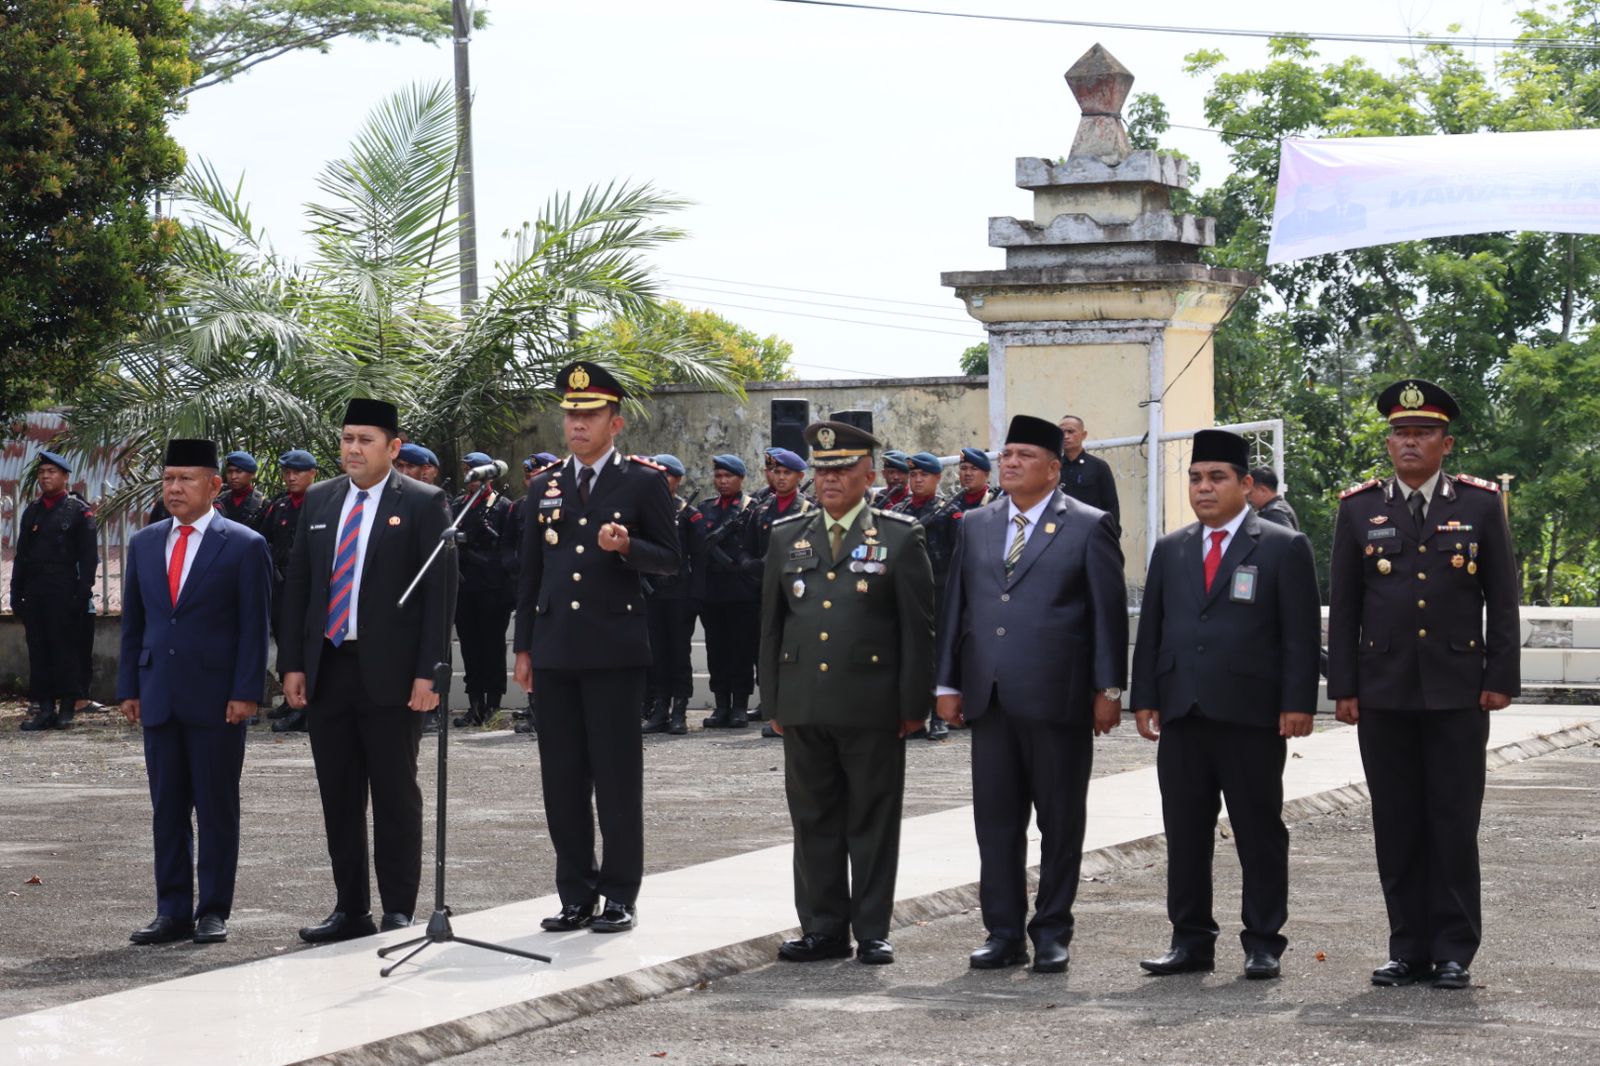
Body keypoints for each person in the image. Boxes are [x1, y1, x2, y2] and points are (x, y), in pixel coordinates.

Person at [1327, 378, 1520, 990]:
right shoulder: (1358, 508)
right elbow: (1347, 603)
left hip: (1459, 689)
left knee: (1454, 822)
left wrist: (1500, 677)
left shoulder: (1480, 505)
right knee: (1397, 822)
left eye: (1423, 433)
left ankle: (1454, 950)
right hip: (1384, 690)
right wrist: (1345, 687)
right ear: (1389, 443)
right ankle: (1407, 947)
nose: (1410, 442)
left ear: (1446, 443)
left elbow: (1504, 599)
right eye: (1401, 433)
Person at [935, 415, 1128, 974]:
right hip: (990, 696)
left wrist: (1109, 689)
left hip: (1058, 697)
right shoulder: (976, 523)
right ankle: (1002, 931)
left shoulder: (1089, 525)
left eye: (1024, 455)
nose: (1010, 462)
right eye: (1006, 453)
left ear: (1053, 466)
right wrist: (947, 682)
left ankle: (1051, 932)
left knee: (1060, 822)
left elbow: (1107, 617)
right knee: (996, 823)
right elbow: (957, 609)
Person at [1131, 429, 1321, 981]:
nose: (1204, 488)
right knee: (1185, 831)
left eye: (1217, 477)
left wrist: (1297, 702)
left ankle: (1263, 941)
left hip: (1252, 715)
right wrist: (1145, 695)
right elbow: (1155, 630)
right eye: (1195, 477)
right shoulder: (1173, 548)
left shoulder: (1282, 545)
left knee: (1259, 831)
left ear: (1245, 484)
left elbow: (1300, 635)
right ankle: (1190, 941)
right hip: (1184, 712)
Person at [512, 361, 680, 935]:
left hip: (614, 651)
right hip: (556, 651)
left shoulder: (643, 481)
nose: (576, 424)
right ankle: (575, 894)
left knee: (615, 778)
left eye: (589, 415)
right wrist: (524, 648)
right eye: (570, 415)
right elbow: (530, 575)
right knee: (561, 778)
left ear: (616, 422)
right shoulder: (544, 485)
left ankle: (619, 894)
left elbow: (670, 558)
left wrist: (629, 544)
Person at [761, 420, 934, 966]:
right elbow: (771, 625)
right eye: (822, 468)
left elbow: (918, 629)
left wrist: (913, 706)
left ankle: (873, 927)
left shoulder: (901, 536)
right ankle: (822, 927)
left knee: (872, 819)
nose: (829, 478)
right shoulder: (787, 535)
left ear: (870, 473)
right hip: (804, 700)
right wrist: (774, 702)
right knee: (813, 818)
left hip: (872, 702)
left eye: (841, 468)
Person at [279, 398, 450, 943]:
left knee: (396, 793)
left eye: (366, 440)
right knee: (339, 795)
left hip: (394, 675)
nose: (353, 448)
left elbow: (439, 598)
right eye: (348, 438)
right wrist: (292, 664)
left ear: (393, 448)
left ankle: (399, 908)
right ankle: (351, 909)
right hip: (330, 668)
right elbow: (300, 587)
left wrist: (430, 674)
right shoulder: (321, 499)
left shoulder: (424, 503)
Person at [117, 439, 273, 946]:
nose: (174, 488)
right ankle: (171, 911)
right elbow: (134, 625)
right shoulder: (145, 543)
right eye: (167, 479)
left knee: (216, 805)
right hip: (159, 692)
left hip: (217, 698)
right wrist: (129, 687)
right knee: (167, 806)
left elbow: (255, 626)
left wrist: (247, 691)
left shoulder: (244, 544)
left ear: (213, 485)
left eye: (186, 479)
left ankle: (212, 911)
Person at [729, 447, 816, 735]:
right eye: (776, 472)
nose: (780, 478)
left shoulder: (807, 511)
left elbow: (811, 552)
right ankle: (774, 711)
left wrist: (775, 562)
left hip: (795, 591)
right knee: (768, 649)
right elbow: (745, 546)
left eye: (786, 473)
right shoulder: (761, 510)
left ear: (799, 476)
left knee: (795, 652)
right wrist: (748, 564)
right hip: (763, 590)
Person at [11, 450, 98, 731]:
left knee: (65, 649)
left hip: (64, 589)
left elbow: (88, 557)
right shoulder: (33, 511)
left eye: (52, 472)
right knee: (39, 650)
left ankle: (68, 707)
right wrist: (16, 592)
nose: (46, 477)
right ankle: (44, 708)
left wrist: (83, 591)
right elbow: (22, 555)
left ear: (65, 476)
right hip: (36, 589)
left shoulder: (78, 510)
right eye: (42, 473)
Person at [450, 451, 516, 729]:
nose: (471, 478)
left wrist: (485, 558)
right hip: (466, 587)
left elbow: (509, 548)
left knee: (492, 645)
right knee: (470, 646)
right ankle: (474, 703)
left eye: (476, 471)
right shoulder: (460, 505)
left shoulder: (502, 506)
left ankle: (493, 704)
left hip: (493, 588)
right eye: (468, 471)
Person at [695, 454, 759, 729]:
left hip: (742, 592)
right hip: (713, 592)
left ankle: (740, 706)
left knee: (741, 650)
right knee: (716, 650)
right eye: (719, 476)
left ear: (740, 479)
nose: (722, 481)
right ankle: (721, 704)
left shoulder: (753, 509)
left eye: (728, 476)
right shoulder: (705, 508)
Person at [893, 452, 953, 740]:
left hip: (939, 592)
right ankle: (914, 717)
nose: (917, 480)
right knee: (909, 655)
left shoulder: (948, 512)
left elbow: (959, 557)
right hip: (905, 591)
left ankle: (939, 716)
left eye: (924, 475)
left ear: (937, 478)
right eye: (913, 475)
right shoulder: (899, 510)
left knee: (937, 655)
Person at [262, 450, 320, 733]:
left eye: (297, 472)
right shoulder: (280, 507)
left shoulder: (322, 505)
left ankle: (307, 709)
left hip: (312, 592)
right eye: (287, 472)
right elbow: (266, 541)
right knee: (286, 644)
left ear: (313, 474)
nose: (291, 477)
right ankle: (290, 699)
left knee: (306, 647)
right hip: (282, 588)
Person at [642, 454, 699, 736]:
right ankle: (660, 709)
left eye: (666, 476)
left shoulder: (687, 513)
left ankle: (679, 710)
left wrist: (694, 596)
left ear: (677, 479)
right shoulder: (645, 511)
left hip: (679, 595)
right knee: (657, 654)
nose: (661, 481)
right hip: (653, 594)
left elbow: (699, 558)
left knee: (679, 653)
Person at [1057, 415, 1120, 530]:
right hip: (1061, 533)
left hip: (1091, 532)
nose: (1066, 436)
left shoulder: (1098, 467)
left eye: (1071, 432)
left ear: (1083, 435)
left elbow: (1111, 506)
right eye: (1062, 432)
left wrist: (1110, 535)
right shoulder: (1054, 468)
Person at [215, 451, 268, 532]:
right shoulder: (220, 500)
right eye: (229, 472)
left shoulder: (262, 503)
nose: (233, 476)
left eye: (239, 471)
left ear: (252, 474)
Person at [1247, 466, 1300, 531]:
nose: (1249, 498)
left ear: (1263, 490)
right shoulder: (1278, 508)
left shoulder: (1275, 513)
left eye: (1250, 493)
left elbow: (1285, 540)